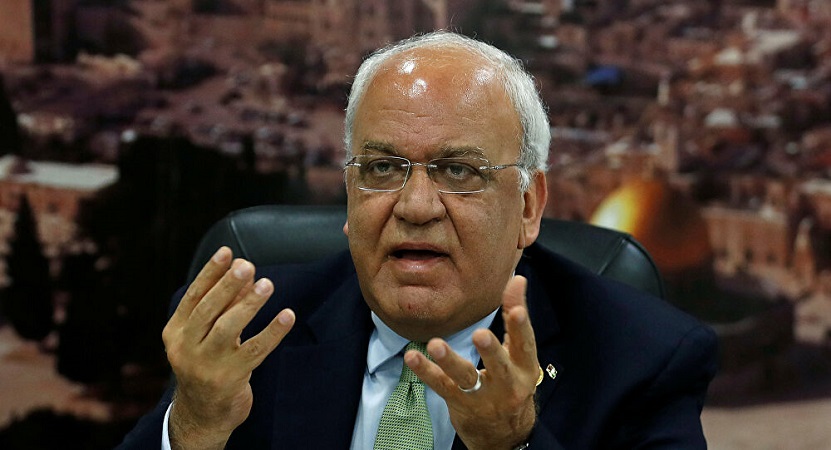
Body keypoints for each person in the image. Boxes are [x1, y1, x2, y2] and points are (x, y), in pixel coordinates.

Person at [117, 31, 718, 449]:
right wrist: (193, 428)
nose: (415, 206)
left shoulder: (640, 358)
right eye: (382, 168)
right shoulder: (245, 332)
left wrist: (511, 445)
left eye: (458, 171)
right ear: (349, 195)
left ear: (528, 206)